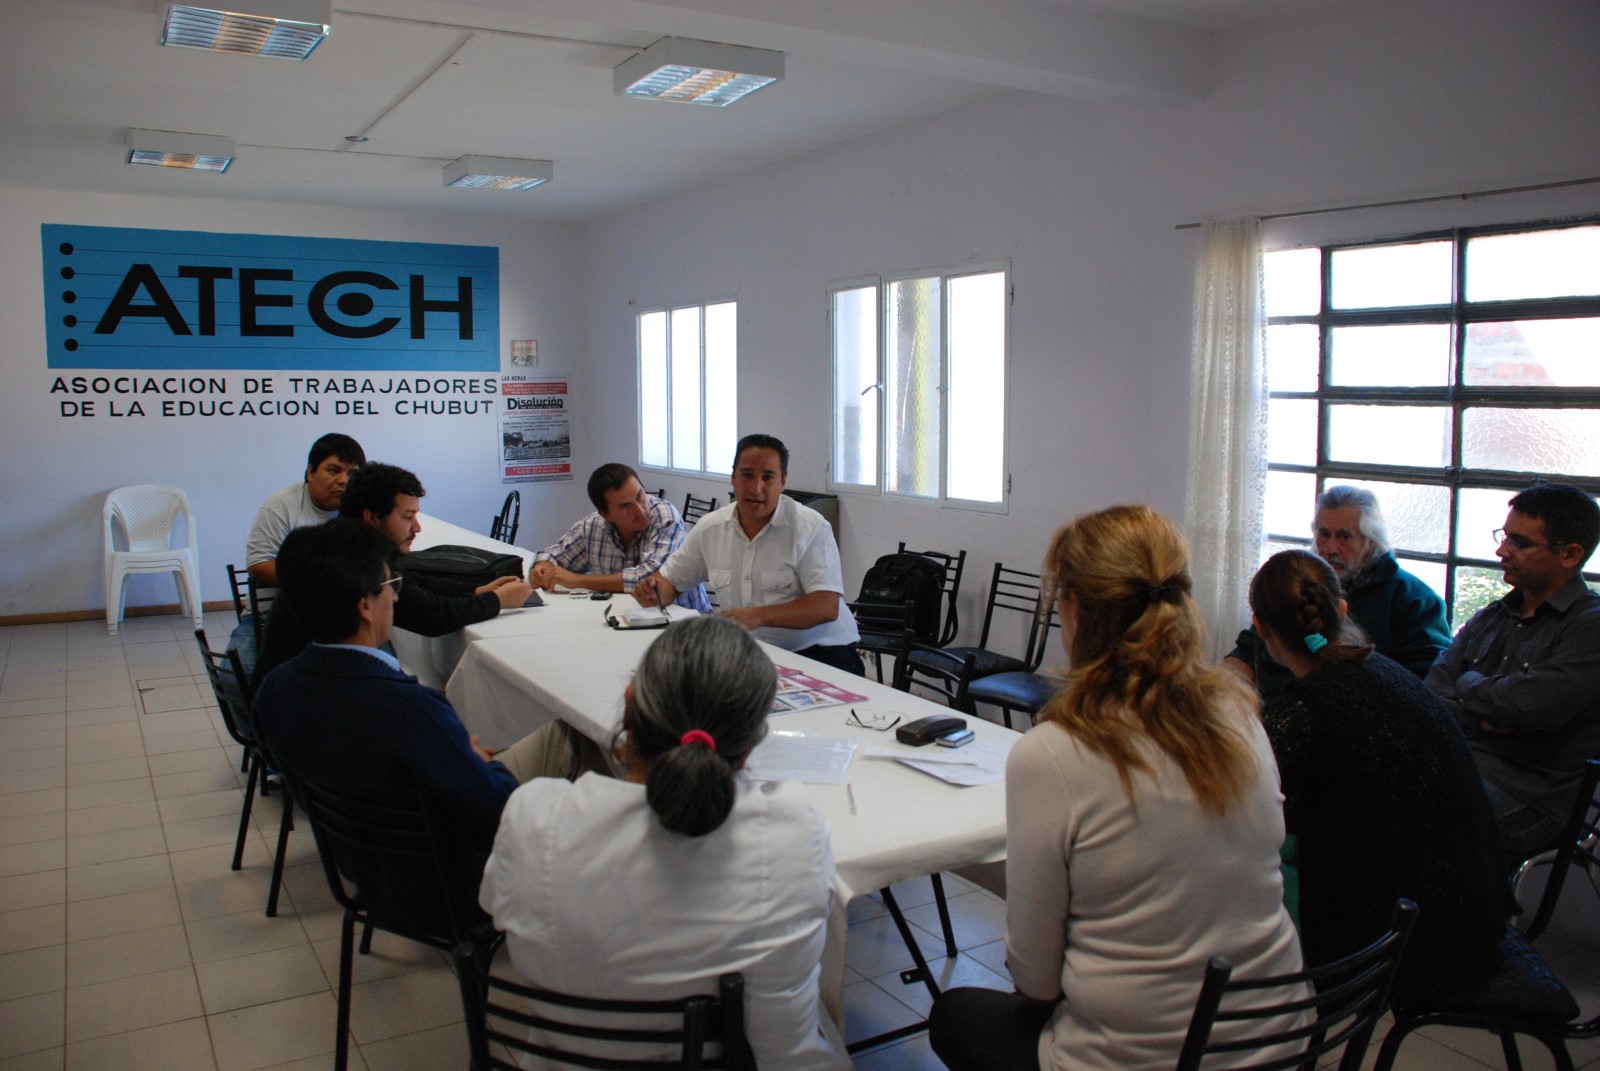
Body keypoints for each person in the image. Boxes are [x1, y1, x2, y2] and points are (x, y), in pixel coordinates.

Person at [929, 505, 1305, 1071]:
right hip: (1276, 1042)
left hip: (1139, 1057)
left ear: (1075, 609)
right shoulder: (1240, 716)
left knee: (954, 1014)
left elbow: (1034, 980)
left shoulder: (1053, 754)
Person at [480, 616, 849, 1071]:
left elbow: (496, 904)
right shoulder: (793, 833)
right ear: (754, 743)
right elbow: (784, 1033)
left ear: (628, 706)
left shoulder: (534, 816)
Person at [252, 521, 585, 933]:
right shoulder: (410, 708)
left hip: (364, 873)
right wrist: (480, 765)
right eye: (390, 584)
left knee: (546, 737)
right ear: (366, 605)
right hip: (455, 887)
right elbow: (497, 808)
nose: (396, 595)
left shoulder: (275, 690)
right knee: (573, 735)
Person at [1249, 548, 1512, 1003]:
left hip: (1417, 945)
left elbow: (1248, 797)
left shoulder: (1308, 711)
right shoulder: (1382, 672)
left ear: (1259, 627)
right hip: (1476, 914)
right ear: (1342, 609)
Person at [1426, 482, 1600, 865]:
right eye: (1504, 537)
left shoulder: (1590, 627)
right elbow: (1432, 693)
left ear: (1570, 554)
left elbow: (1530, 706)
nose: (1501, 551)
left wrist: (1468, 684)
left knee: (1411, 816)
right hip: (1464, 763)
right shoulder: (1493, 615)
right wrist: (1484, 716)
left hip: (1532, 798)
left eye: (1519, 543)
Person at [251, 462, 535, 686]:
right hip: (304, 701)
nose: (417, 528)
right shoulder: (355, 560)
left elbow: (412, 582)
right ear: (372, 518)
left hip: (289, 688)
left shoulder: (348, 542)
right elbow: (433, 616)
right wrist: (498, 601)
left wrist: (476, 591)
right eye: (407, 517)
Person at [636, 434, 863, 675]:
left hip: (820, 651)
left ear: (783, 482)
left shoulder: (811, 528)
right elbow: (671, 582)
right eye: (747, 475)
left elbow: (825, 606)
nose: (756, 488)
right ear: (733, 478)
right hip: (753, 653)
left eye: (768, 477)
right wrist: (655, 592)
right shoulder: (710, 528)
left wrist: (758, 616)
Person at [1226, 485, 1449, 702]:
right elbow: (1250, 649)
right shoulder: (1298, 581)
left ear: (1371, 543)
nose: (1330, 548)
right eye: (1324, 534)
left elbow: (1425, 689)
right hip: (1270, 709)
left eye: (1344, 537)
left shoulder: (1416, 601)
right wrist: (1221, 694)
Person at [529, 462, 711, 611]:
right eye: (625, 507)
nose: (640, 510)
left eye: (640, 496)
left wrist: (576, 581)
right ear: (606, 515)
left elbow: (650, 580)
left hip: (684, 626)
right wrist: (542, 568)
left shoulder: (666, 517)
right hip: (624, 620)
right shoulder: (592, 526)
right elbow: (551, 555)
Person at [245, 432, 365, 588]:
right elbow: (258, 566)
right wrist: (320, 581)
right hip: (277, 601)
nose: (343, 480)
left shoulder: (361, 507)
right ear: (310, 472)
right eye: (333, 471)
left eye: (352, 474)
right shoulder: (281, 504)